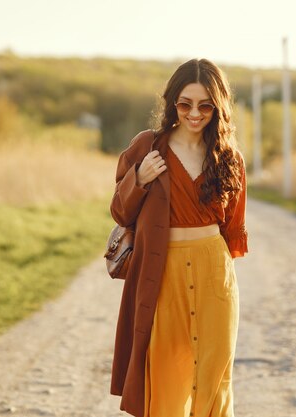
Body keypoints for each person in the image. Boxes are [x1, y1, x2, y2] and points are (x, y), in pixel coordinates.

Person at [109, 58, 248, 417]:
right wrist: (138, 179)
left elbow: (232, 230)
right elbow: (120, 212)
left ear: (217, 108)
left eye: (205, 105)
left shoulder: (229, 159)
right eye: (185, 104)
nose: (195, 113)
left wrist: (214, 279)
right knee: (167, 377)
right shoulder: (148, 147)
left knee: (214, 380)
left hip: (214, 277)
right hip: (162, 274)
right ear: (173, 103)